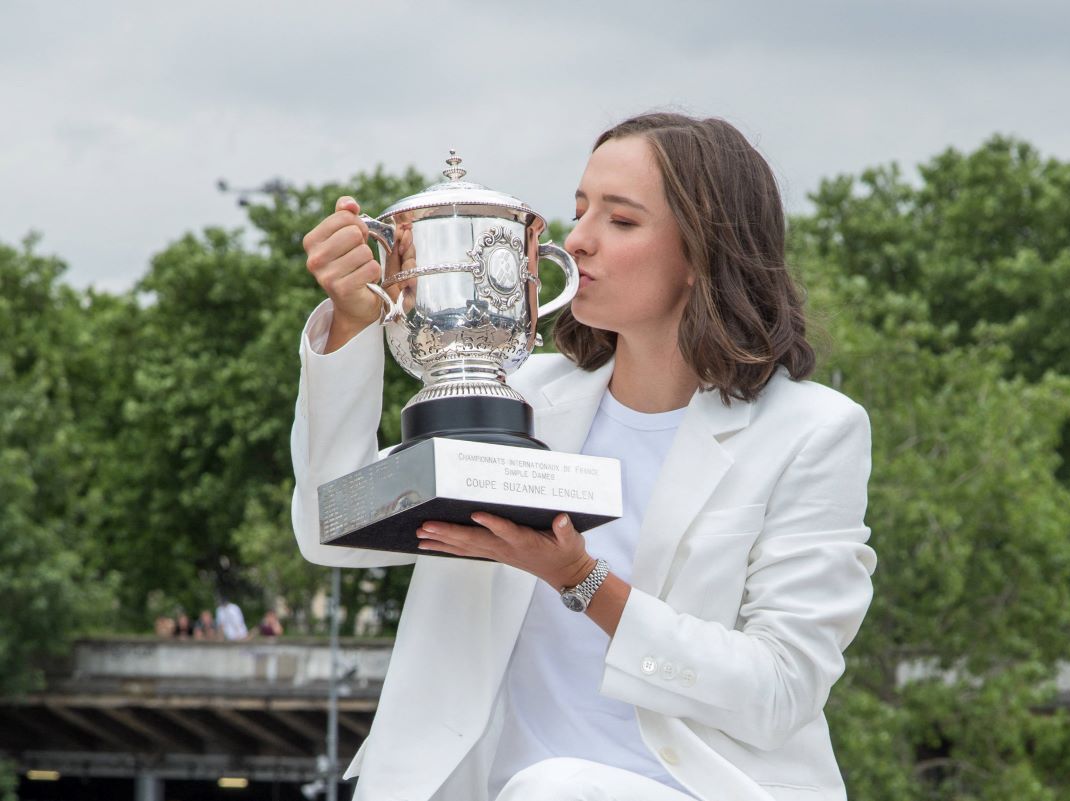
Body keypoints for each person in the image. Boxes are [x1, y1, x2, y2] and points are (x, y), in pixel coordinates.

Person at [292, 113, 876, 801]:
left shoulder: (813, 430)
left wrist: (583, 580)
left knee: (555, 788)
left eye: (621, 221)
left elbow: (780, 690)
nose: (579, 241)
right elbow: (331, 529)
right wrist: (354, 326)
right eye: (578, 211)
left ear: (701, 254)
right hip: (486, 789)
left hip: (690, 789)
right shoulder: (518, 399)